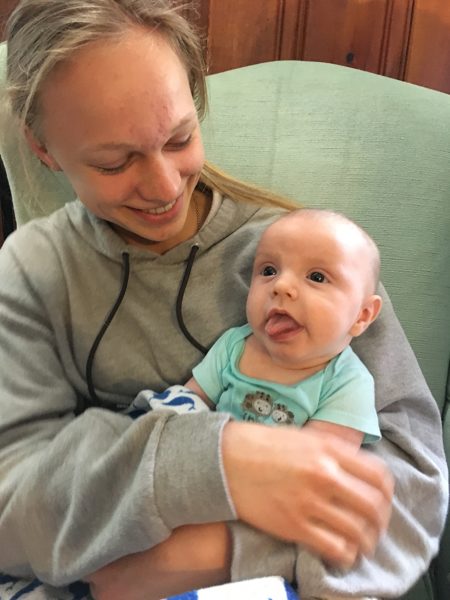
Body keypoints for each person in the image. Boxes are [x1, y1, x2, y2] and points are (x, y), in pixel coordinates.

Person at [0, 1, 446, 600]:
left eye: (180, 138)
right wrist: (207, 463)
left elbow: (416, 487)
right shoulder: (30, 274)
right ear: (43, 149)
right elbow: (9, 506)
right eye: (114, 162)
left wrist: (217, 552)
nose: (164, 188)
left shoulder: (304, 255)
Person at [134, 209, 383, 450]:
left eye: (316, 277)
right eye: (268, 271)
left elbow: (319, 463)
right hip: (208, 461)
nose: (281, 285)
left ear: (362, 316)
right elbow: (189, 401)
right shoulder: (234, 346)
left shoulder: (348, 384)